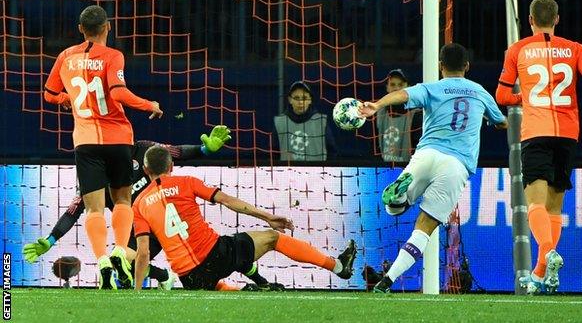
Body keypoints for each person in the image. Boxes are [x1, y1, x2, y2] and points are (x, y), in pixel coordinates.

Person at [21, 129, 279, 290]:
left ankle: (255, 279)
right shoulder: (95, 174)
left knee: (217, 252)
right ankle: (162, 275)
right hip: (142, 232)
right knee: (120, 264)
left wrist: (204, 149)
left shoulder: (144, 149)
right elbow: (75, 210)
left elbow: (175, 153)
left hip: (172, 222)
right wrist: (50, 239)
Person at [358, 43, 507, 293]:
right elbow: (502, 122)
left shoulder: (432, 88)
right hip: (456, 165)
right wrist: (489, 119)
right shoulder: (480, 92)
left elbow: (403, 95)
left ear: (440, 66)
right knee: (425, 226)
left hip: (426, 154)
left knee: (393, 209)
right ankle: (389, 279)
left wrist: (377, 104)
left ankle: (400, 197)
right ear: (467, 66)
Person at [495, 0, 582, 294]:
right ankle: (542, 274)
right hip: (568, 133)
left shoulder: (517, 50)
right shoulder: (577, 49)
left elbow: (502, 97)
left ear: (530, 20)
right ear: (557, 19)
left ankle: (547, 253)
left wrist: (525, 97)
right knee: (554, 207)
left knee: (534, 203)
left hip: (536, 132)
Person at [44, 5, 163, 289]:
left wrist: (69, 100)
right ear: (108, 27)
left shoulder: (64, 56)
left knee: (93, 209)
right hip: (118, 139)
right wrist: (150, 105)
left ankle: (102, 261)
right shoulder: (113, 56)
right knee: (123, 200)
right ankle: (120, 252)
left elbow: (49, 95)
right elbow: (118, 92)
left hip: (85, 142)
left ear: (80, 29)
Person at [132, 145, 357, 290]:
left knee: (212, 283)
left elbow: (143, 253)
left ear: (145, 168)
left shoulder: (139, 203)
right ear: (171, 165)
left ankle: (249, 288)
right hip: (217, 255)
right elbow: (229, 202)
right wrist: (267, 216)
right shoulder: (187, 182)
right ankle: (337, 266)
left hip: (188, 276)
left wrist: (136, 292)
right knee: (271, 238)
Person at [273, 81, 337, 161]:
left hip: (317, 173)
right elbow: (273, 154)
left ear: (310, 100)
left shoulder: (321, 122)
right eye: (296, 98)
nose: (300, 102)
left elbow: (331, 152)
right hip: (288, 173)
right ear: (290, 100)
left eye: (304, 98)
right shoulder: (280, 122)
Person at [376, 69, 422, 162]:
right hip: (384, 170)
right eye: (392, 85)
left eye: (400, 85)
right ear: (387, 88)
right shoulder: (380, 113)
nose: (396, 88)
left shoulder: (417, 115)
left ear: (409, 88)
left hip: (407, 171)